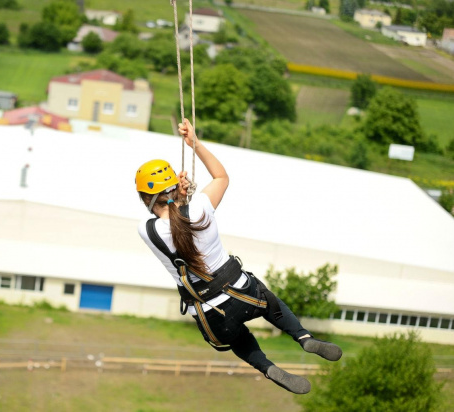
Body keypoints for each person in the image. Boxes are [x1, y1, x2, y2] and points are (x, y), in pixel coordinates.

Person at [135, 119, 342, 394]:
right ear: (175, 187)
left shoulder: (146, 231)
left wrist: (179, 198)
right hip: (243, 292)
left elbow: (172, 221)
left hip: (212, 316)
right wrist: (193, 143)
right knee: (270, 303)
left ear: (144, 198)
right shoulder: (200, 210)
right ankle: (303, 337)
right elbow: (221, 177)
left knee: (239, 339)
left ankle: (267, 367)